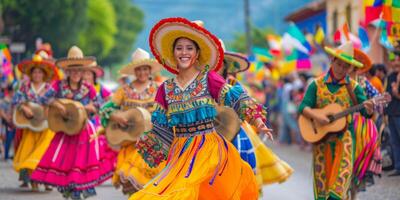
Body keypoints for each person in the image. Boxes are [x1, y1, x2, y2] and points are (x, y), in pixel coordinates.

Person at [129, 17, 269, 199]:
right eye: (179, 48)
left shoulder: (208, 78)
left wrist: (257, 120)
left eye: (189, 48)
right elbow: (161, 127)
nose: (184, 52)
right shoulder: (165, 88)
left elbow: (235, 98)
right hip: (180, 152)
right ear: (173, 53)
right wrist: (150, 148)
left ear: (197, 53)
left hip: (209, 149)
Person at [30, 46, 115, 200]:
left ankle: (77, 189)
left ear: (83, 72)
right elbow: (42, 99)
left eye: (79, 70)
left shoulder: (88, 87)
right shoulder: (58, 85)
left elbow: (98, 105)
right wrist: (58, 105)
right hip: (65, 130)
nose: (76, 73)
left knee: (81, 161)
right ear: (68, 71)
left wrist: (85, 107)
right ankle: (71, 190)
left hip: (83, 129)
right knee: (65, 161)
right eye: (73, 70)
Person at [298, 42, 374, 200]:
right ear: (332, 61)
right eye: (338, 64)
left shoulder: (354, 87)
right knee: (322, 191)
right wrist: (317, 116)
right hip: (321, 142)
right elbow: (303, 107)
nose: (341, 69)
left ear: (350, 68)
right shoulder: (316, 85)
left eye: (345, 67)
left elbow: (366, 113)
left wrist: (369, 108)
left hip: (344, 142)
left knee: (337, 191)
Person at [218, 41, 293, 187]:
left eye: (218, 62)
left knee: (242, 170)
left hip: (232, 135)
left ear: (225, 65)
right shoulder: (198, 84)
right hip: (203, 136)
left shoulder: (232, 84)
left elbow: (247, 103)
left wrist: (259, 122)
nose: (214, 66)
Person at [99, 48, 165, 195]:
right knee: (131, 181)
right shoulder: (124, 90)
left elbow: (167, 112)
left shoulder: (159, 89)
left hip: (151, 142)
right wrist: (117, 116)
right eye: (139, 69)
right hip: (130, 142)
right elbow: (105, 109)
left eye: (145, 69)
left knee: (147, 182)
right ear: (134, 71)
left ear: (150, 70)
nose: (142, 73)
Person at [12, 55, 57, 191]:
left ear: (44, 74)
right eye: (34, 72)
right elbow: (17, 101)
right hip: (30, 126)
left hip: (46, 126)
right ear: (31, 74)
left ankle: (47, 180)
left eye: (40, 72)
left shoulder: (49, 88)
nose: (37, 74)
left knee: (45, 151)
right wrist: (24, 108)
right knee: (28, 151)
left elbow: (55, 103)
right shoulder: (25, 87)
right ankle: (34, 181)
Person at [385, 58, 400, 177]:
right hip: (391, 113)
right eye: (393, 61)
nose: (395, 63)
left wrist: (396, 90)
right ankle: (397, 167)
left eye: (397, 61)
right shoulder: (390, 77)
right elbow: (387, 95)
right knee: (394, 142)